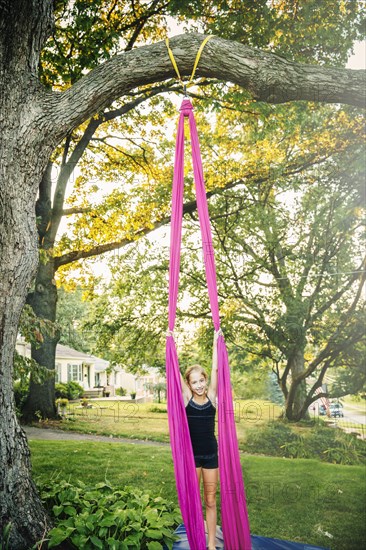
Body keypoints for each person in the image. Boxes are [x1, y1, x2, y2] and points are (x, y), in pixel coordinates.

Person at [180, 330, 221, 550]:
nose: (199, 385)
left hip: (211, 455)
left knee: (211, 500)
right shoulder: (187, 398)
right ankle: (195, 540)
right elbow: (174, 370)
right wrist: (170, 341)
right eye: (194, 382)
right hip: (193, 457)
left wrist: (216, 341)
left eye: (201, 380)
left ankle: (212, 544)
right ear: (189, 384)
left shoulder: (212, 396)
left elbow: (215, 368)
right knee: (194, 502)